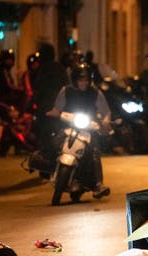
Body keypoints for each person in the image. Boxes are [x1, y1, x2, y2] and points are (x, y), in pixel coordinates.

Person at [46, 62, 111, 199]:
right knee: (53, 142)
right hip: (68, 126)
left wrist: (105, 123)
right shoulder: (66, 91)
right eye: (80, 80)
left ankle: (98, 184)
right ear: (75, 80)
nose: (83, 83)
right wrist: (53, 113)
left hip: (88, 129)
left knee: (94, 151)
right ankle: (45, 168)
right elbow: (57, 108)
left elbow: (105, 112)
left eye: (86, 80)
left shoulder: (96, 93)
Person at [31, 43, 69, 171]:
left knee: (45, 136)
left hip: (46, 109)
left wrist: (32, 105)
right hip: (59, 108)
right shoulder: (59, 68)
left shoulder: (43, 70)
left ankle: (47, 162)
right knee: (59, 133)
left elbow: (38, 89)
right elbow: (66, 86)